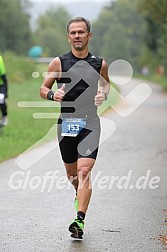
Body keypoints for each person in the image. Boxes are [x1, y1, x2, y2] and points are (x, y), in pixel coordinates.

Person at [40, 17, 110, 239]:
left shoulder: (100, 63)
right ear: (68, 36)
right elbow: (43, 88)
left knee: (84, 170)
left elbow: (106, 85)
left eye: (81, 32)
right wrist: (53, 94)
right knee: (72, 175)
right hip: (66, 123)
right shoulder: (58, 63)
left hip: (90, 122)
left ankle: (79, 219)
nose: (77, 36)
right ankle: (78, 194)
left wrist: (103, 94)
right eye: (73, 33)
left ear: (89, 35)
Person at [0, 54, 8, 126]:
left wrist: (5, 92)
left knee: (1, 99)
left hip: (1, 85)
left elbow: (4, 79)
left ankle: (4, 116)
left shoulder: (0, 60)